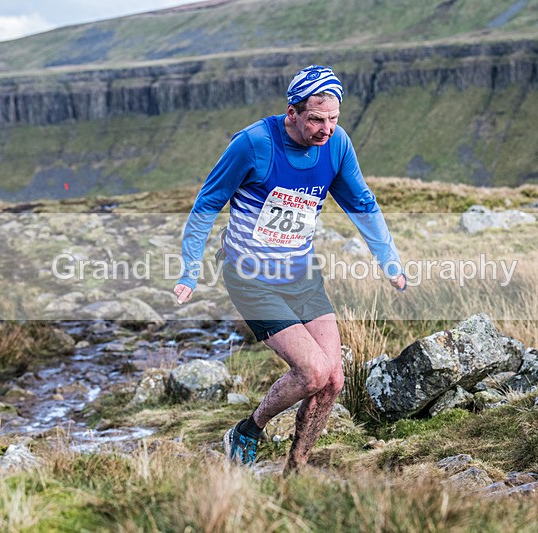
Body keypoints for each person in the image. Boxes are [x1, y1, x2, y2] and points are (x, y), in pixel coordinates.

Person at [173, 65, 406, 473]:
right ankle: (248, 429)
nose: (326, 128)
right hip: (250, 277)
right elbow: (206, 204)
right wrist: (190, 271)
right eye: (317, 118)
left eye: (333, 118)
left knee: (333, 379)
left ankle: (296, 470)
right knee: (312, 370)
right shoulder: (253, 144)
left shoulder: (336, 145)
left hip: (301, 275)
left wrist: (389, 260)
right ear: (292, 112)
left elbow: (362, 203)